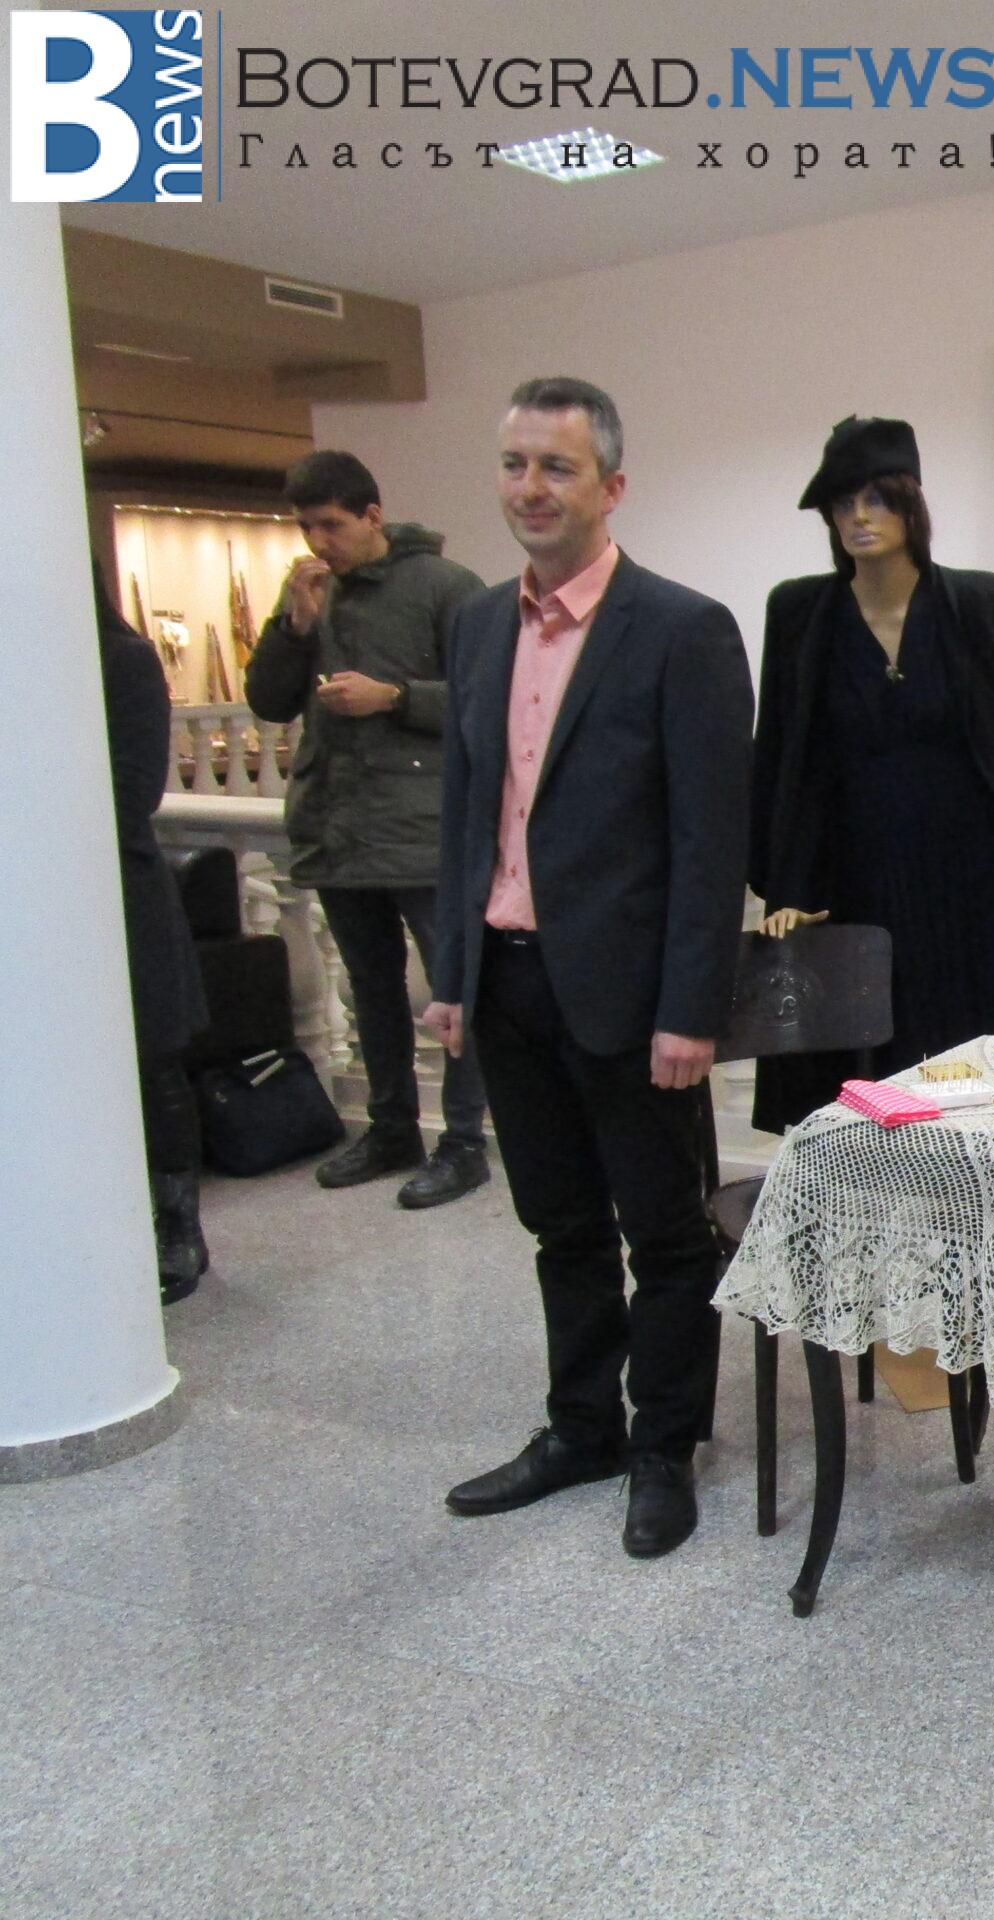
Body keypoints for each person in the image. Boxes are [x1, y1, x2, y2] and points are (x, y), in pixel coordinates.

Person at [426, 378, 754, 1560]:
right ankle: (581, 1430)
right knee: (558, 1227)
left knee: (663, 1236)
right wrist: (453, 972)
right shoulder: (477, 625)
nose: (531, 489)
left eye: (556, 467)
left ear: (611, 486)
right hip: (509, 984)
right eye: (515, 464)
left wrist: (690, 1010)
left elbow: (711, 842)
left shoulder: (680, 628)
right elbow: (466, 813)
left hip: (631, 998)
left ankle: (663, 1447)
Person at [747, 414, 994, 1132]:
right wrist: (787, 887)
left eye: (877, 499)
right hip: (857, 883)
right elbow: (783, 755)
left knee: (979, 1069)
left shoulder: (988, 606)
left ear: (911, 505)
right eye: (843, 503)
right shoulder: (801, 614)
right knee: (861, 1079)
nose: (859, 517)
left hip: (976, 882)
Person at [245, 450, 490, 1209]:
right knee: (369, 989)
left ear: (372, 515)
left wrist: (395, 697)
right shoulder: (309, 594)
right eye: (306, 527)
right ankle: (391, 1131)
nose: (318, 542)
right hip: (338, 825)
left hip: (424, 828)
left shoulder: (446, 587)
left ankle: (464, 1142)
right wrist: (294, 627)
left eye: (331, 525)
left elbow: (491, 700)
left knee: (454, 991)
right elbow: (269, 701)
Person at [97, 570, 211, 1303]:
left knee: (152, 1062)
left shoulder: (124, 660)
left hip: (122, 892)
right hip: (44, 907)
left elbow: (131, 791)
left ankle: (178, 1226)